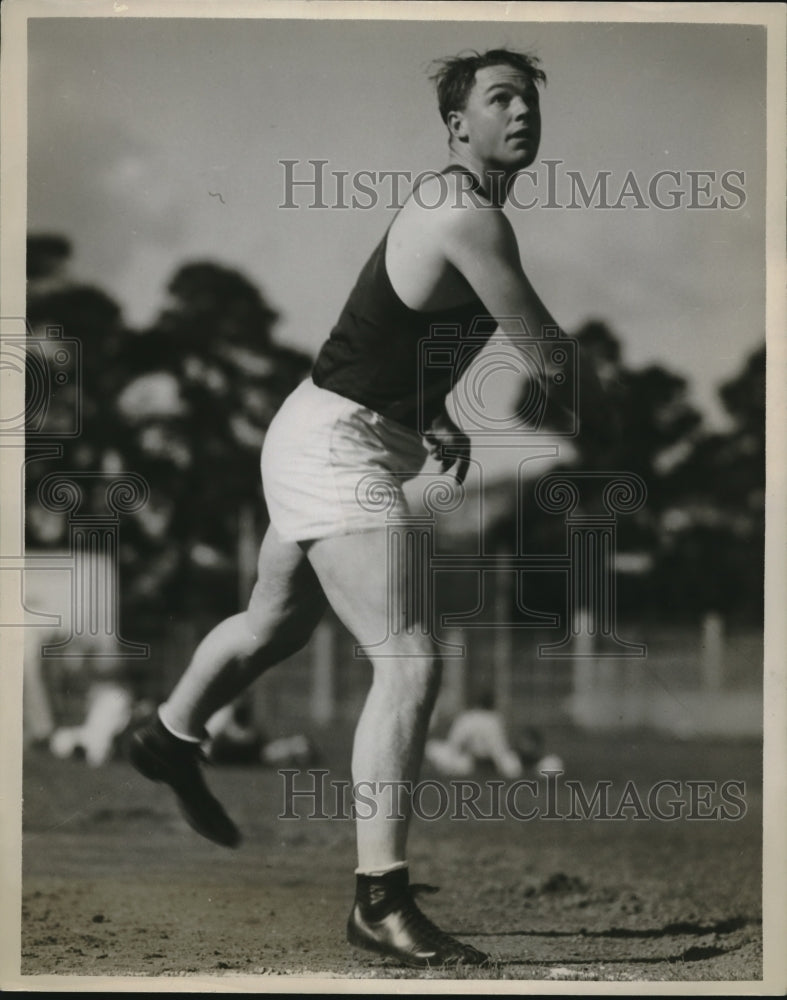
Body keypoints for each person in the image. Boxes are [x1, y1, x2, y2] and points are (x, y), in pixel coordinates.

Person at [130, 47, 610, 970]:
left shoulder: (472, 213)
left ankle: (168, 733)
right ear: (456, 125)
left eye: (529, 100)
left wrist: (427, 422)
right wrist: (599, 421)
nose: (521, 114)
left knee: (270, 625)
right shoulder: (465, 211)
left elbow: (398, 338)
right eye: (499, 99)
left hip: (343, 431)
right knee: (410, 658)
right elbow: (546, 354)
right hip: (332, 443)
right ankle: (378, 902)